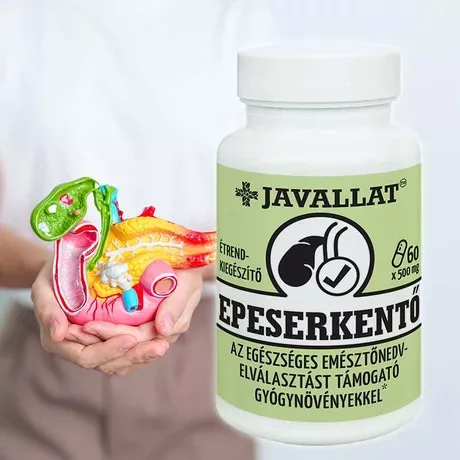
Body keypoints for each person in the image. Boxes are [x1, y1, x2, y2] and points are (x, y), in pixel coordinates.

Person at [0, 1, 275, 459]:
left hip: (204, 371)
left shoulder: (247, 20)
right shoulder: (15, 20)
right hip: (37, 379)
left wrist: (191, 265)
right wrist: (55, 270)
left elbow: (283, 221)